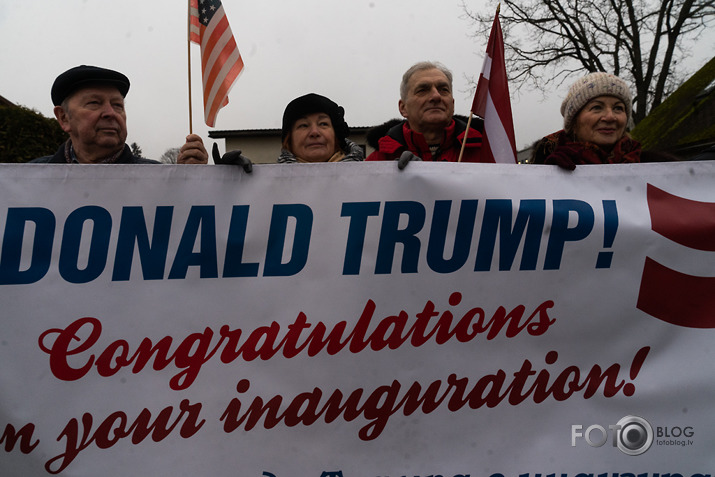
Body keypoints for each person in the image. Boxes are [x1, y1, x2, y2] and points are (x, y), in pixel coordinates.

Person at [31, 65, 208, 164]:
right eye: (94, 103)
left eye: (117, 105)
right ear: (63, 118)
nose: (110, 113)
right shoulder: (26, 181)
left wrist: (196, 182)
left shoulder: (159, 180)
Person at [530, 72, 676, 169]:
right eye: (597, 108)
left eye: (618, 108)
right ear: (574, 123)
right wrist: (548, 179)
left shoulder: (661, 168)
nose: (610, 117)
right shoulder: (545, 167)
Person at [365, 61, 487, 167]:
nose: (436, 96)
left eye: (443, 89)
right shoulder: (377, 162)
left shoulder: (489, 154)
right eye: (423, 90)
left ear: (453, 104)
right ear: (403, 108)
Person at [277, 93, 364, 163]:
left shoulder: (372, 179)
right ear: (289, 139)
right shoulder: (268, 183)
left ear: (336, 136)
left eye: (323, 124)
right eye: (303, 125)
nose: (314, 132)